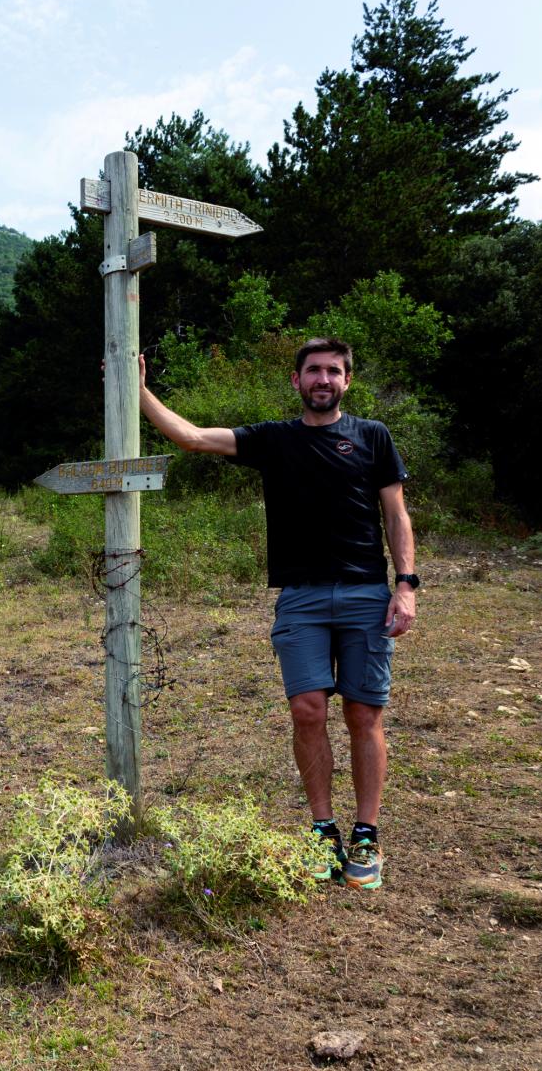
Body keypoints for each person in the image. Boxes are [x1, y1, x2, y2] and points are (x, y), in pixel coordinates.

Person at [136, 337, 416, 890]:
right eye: (314, 370)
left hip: (365, 592)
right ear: (296, 381)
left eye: (334, 372)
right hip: (301, 598)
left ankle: (366, 834)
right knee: (308, 710)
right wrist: (137, 389)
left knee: (364, 714)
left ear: (347, 382)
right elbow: (190, 437)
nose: (323, 380)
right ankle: (321, 829)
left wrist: (405, 586)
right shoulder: (274, 439)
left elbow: (397, 516)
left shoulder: (372, 437)